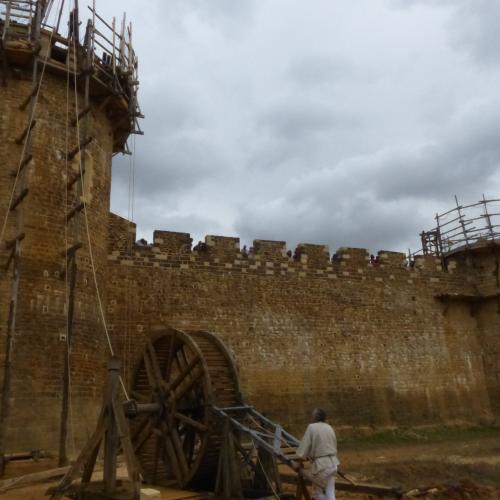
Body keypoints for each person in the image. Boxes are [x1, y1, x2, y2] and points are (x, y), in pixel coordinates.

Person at [294, 408, 339, 500]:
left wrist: (298, 463)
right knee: (330, 492)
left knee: (317, 493)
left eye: (312, 415)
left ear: (315, 417)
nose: (311, 417)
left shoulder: (312, 427)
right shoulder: (329, 427)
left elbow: (303, 449)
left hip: (321, 467)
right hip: (333, 464)